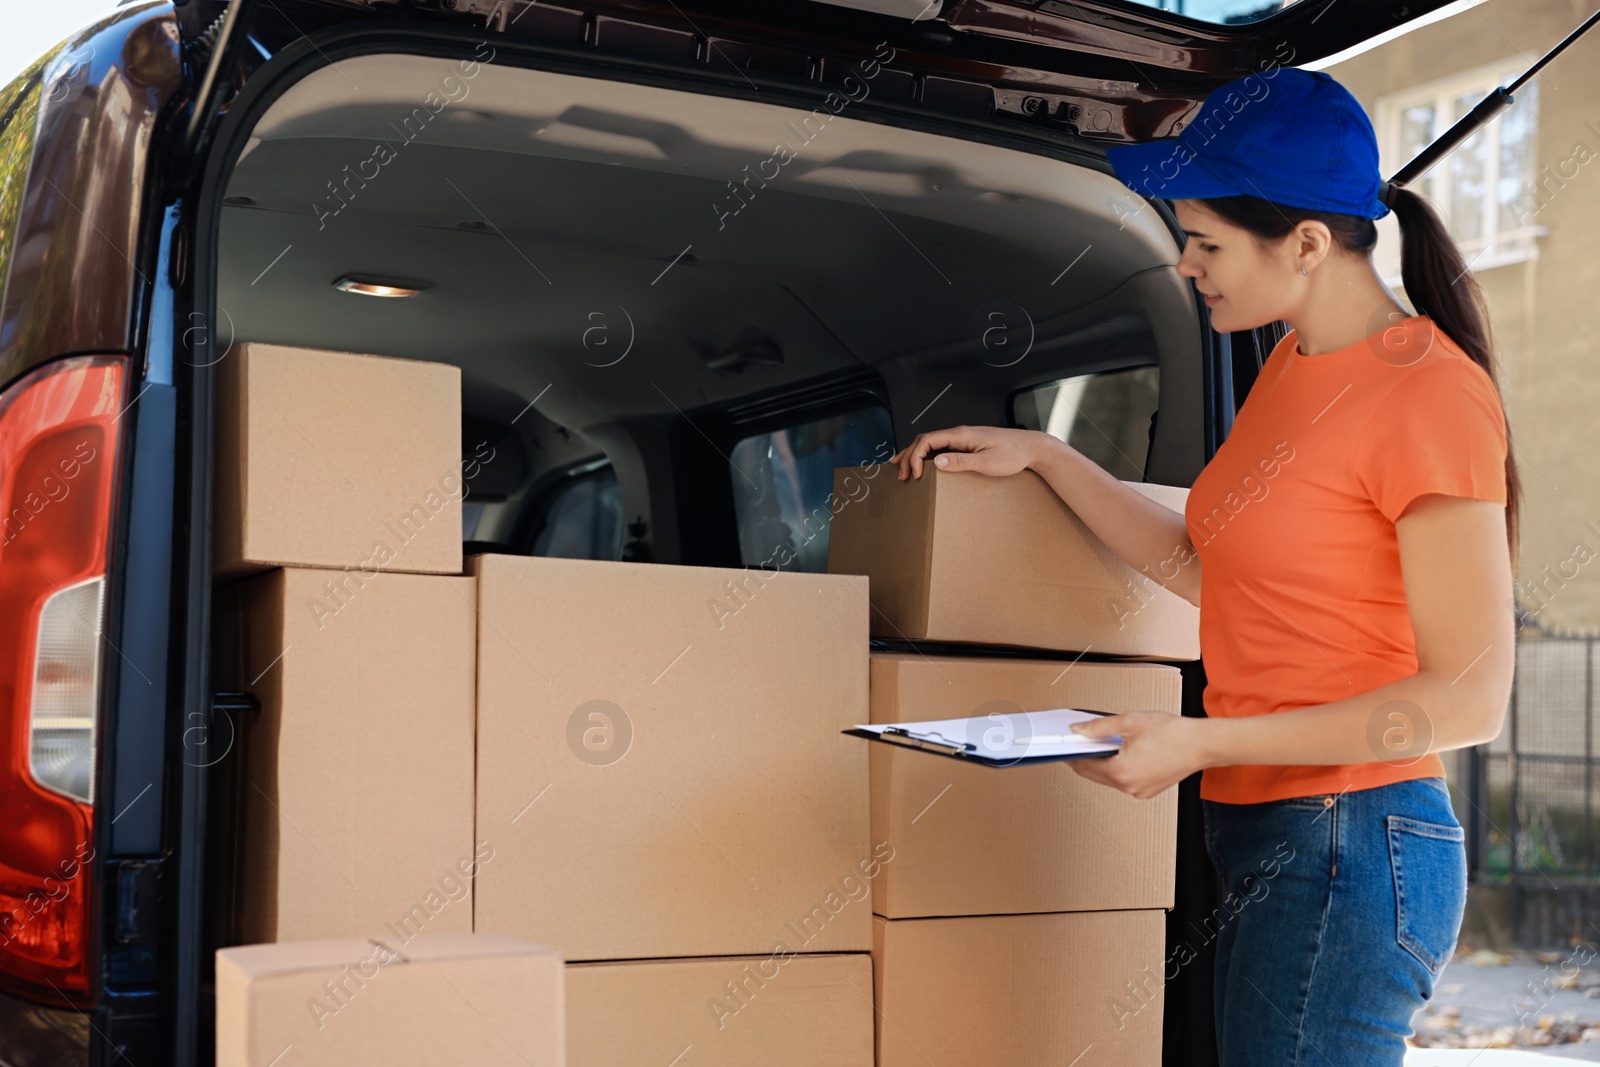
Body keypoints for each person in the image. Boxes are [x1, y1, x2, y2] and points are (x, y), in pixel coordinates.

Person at [890, 68, 1517, 1064]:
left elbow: (1471, 697)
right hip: (1272, 829)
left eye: (1206, 241)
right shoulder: (1288, 364)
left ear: (1305, 243)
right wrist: (1050, 458)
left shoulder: (1427, 394)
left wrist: (1197, 742)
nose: (1185, 264)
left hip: (1353, 838)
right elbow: (1202, 565)